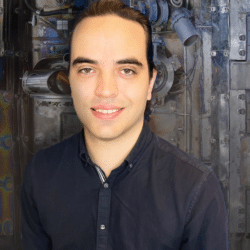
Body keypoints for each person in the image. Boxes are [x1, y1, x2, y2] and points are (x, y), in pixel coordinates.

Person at [21, 0, 229, 249]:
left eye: (127, 70)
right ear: (70, 80)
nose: (105, 90)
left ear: (151, 83)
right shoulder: (40, 173)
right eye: (87, 69)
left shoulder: (197, 189)